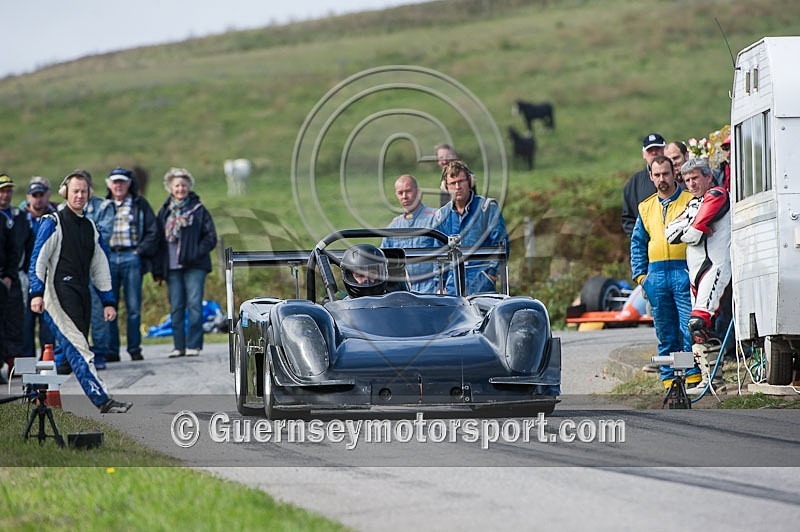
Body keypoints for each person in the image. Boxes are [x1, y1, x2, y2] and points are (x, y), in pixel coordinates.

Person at [28, 169, 131, 413]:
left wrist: (108, 301)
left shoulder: (90, 227)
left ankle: (34, 392)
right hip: (56, 295)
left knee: (65, 354)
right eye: (75, 191)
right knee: (80, 349)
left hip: (80, 295)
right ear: (65, 192)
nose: (79, 196)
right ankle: (103, 400)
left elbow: (100, 266)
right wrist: (36, 293)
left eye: (84, 191)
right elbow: (38, 259)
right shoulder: (52, 222)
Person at [630, 156, 701, 389]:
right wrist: (642, 277)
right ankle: (669, 377)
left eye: (666, 174)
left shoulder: (690, 201)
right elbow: (637, 243)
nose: (662, 179)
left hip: (683, 271)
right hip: (656, 275)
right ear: (651, 177)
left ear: (674, 174)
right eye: (657, 174)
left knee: (688, 327)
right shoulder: (645, 207)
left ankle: (691, 373)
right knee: (665, 331)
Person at [666, 158, 731, 392]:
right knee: (697, 327)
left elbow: (692, 234)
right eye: (687, 180)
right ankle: (709, 379)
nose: (691, 184)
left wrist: (693, 227)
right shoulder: (693, 203)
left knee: (699, 322)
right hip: (695, 272)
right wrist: (694, 227)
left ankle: (715, 381)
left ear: (708, 177)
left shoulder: (717, 194)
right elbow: (669, 233)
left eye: (695, 178)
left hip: (715, 267)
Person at [90, 167, 158, 365]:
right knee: (109, 304)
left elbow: (153, 230)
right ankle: (112, 350)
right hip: (108, 258)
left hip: (131, 256)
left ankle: (134, 348)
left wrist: (140, 251)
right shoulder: (103, 206)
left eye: (122, 182)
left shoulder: (139, 204)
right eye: (115, 182)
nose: (118, 185)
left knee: (133, 306)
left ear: (129, 184)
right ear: (109, 184)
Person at [154, 168, 217, 358]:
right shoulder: (164, 211)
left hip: (195, 266)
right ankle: (178, 346)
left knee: (195, 305)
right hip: (172, 267)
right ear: (170, 188)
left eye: (183, 185)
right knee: (176, 307)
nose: (180, 189)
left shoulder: (198, 210)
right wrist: (158, 269)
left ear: (189, 187)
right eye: (176, 186)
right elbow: (157, 240)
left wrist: (195, 253)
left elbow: (210, 237)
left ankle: (193, 345)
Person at [433, 160, 508, 295]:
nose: (457, 187)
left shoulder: (487, 208)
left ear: (470, 182)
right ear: (445, 187)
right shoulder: (441, 216)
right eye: (453, 183)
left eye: (461, 181)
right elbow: (439, 253)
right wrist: (440, 285)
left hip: (482, 284)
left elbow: (501, 243)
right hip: (452, 286)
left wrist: (491, 274)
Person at [19, 178, 57, 360]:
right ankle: (27, 364)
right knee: (26, 323)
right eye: (34, 195)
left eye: (41, 195)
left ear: (47, 196)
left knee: (47, 324)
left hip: (48, 277)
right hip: (26, 276)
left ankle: (46, 363)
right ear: (28, 197)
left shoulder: (54, 217)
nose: (38, 199)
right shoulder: (20, 218)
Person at [380, 174, 438, 293]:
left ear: (418, 192)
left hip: (432, 289)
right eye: (400, 193)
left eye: (408, 191)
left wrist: (440, 286)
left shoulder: (435, 218)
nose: (404, 196)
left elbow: (445, 255)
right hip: (402, 291)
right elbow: (382, 260)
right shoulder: (393, 226)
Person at [0, 173, 25, 382]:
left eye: (8, 191)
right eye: (2, 191)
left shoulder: (18, 216)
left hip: (10, 278)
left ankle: (18, 368)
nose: (5, 195)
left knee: (17, 324)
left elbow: (14, 250)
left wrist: (9, 275)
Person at [621, 133, 665, 238]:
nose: (654, 153)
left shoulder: (678, 178)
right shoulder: (634, 183)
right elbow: (628, 219)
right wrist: (639, 240)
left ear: (665, 150)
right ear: (644, 154)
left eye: (658, 149)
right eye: (650, 150)